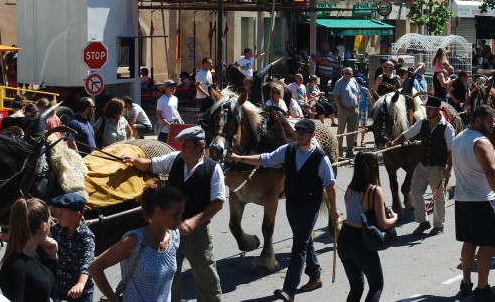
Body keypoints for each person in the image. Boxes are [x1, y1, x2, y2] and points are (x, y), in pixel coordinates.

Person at [229, 118, 339, 302]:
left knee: (298, 247)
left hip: (309, 206)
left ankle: (289, 290)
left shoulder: (321, 159)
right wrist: (240, 158)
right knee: (303, 240)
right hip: (292, 205)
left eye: (304, 132)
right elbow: (265, 159)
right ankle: (315, 275)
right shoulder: (288, 150)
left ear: (312, 135)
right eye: (297, 132)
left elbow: (330, 187)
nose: (300, 135)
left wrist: (334, 210)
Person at [120, 126, 225, 302]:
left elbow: (218, 202)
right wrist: (132, 160)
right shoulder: (175, 159)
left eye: (186, 145)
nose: (181, 148)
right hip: (170, 230)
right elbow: (152, 164)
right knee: (169, 274)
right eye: (181, 144)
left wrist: (194, 221)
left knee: (205, 273)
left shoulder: (213, 169)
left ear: (200, 146)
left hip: (198, 232)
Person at [451, 105, 495, 302]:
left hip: (462, 199)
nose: (493, 125)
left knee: (469, 242)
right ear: (477, 121)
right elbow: (491, 173)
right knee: (487, 245)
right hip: (482, 200)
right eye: (489, 121)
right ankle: (482, 289)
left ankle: (466, 283)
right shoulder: (481, 141)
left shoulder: (459, 138)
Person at [89, 185, 185, 302]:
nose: (180, 219)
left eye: (181, 213)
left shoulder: (174, 236)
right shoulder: (134, 240)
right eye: (175, 214)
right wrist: (114, 299)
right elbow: (95, 267)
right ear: (158, 212)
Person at [388, 97, 454, 236]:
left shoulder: (447, 127)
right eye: (427, 109)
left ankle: (438, 225)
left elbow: (451, 150)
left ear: (437, 111)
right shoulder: (422, 123)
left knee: (438, 197)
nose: (427, 111)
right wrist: (394, 142)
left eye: (430, 109)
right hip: (422, 164)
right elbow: (408, 133)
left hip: (438, 167)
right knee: (415, 192)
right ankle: (423, 222)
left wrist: (449, 168)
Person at [337, 151, 398, 302]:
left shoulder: (349, 189)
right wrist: (395, 219)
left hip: (344, 239)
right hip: (360, 242)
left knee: (356, 287)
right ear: (372, 167)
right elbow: (383, 223)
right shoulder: (374, 191)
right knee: (376, 285)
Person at [0, 198, 58, 302]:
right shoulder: (15, 267)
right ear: (44, 227)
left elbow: (51, 291)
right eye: (49, 223)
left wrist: (52, 258)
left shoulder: (35, 255)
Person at [49, 193, 95, 302]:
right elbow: (37, 235)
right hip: (60, 290)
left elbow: (87, 262)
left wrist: (80, 283)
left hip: (80, 294)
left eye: (61, 214)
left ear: (77, 214)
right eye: (56, 213)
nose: (57, 217)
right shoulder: (57, 229)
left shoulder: (86, 236)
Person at [334, 67, 360, 159]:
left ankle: (350, 152)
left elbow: (357, 94)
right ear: (343, 73)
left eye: (350, 73)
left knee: (351, 132)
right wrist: (340, 107)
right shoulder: (339, 82)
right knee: (341, 131)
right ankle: (339, 152)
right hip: (344, 110)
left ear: (352, 74)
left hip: (354, 110)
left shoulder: (354, 81)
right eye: (346, 73)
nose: (348, 75)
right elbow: (336, 96)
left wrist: (357, 106)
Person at [356, 77, 372, 148]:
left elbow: (370, 98)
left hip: (363, 109)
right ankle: (355, 140)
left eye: (358, 83)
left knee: (363, 126)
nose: (357, 85)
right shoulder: (354, 90)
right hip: (356, 109)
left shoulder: (365, 90)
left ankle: (362, 140)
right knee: (355, 126)